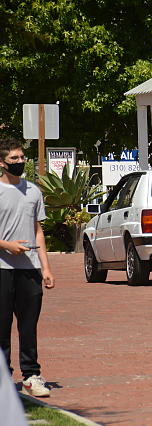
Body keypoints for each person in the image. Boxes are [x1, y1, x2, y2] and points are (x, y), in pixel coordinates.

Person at [0, 137, 55, 398]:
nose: (20, 162)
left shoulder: (33, 191)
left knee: (28, 326)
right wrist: (5, 245)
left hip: (30, 270)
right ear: (2, 163)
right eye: (14, 159)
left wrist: (45, 268)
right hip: (2, 269)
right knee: (1, 326)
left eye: (22, 158)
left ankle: (31, 376)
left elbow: (38, 230)